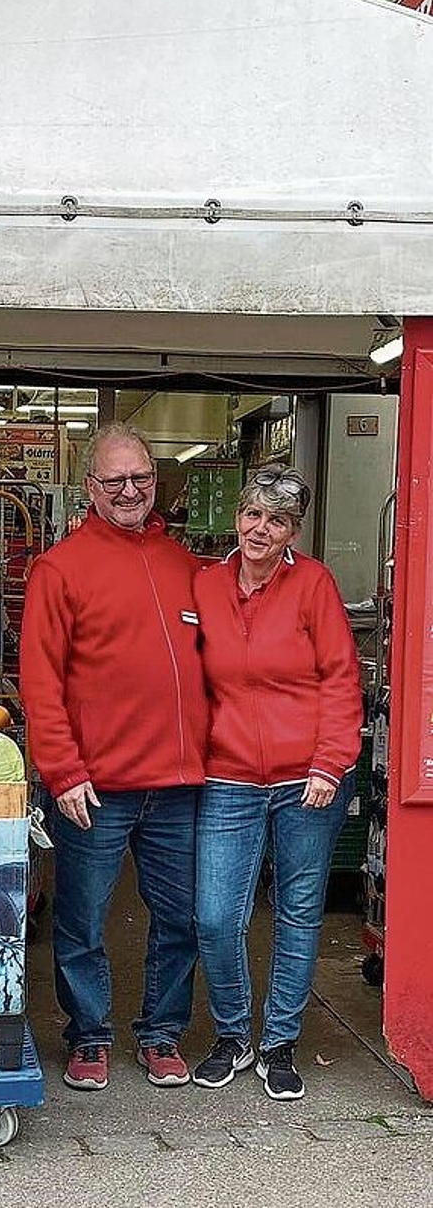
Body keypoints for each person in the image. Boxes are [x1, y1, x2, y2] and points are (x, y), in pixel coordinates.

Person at [19, 423, 207, 1091]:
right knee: (81, 921)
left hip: (180, 783)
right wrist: (62, 770)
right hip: (94, 786)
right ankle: (89, 1035)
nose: (130, 491)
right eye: (115, 480)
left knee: (181, 918)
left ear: (156, 481)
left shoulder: (187, 567)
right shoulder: (59, 568)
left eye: (142, 479)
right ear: (90, 487)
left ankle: (161, 1033)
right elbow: (39, 681)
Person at [191, 462, 363, 1102]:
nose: (261, 529)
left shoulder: (314, 583)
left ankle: (280, 1041)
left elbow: (342, 679)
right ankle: (234, 1034)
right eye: (253, 514)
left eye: (278, 520)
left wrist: (331, 760)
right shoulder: (206, 584)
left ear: (293, 531)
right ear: (238, 517)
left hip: (307, 779)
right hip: (228, 774)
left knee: (296, 911)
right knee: (215, 915)